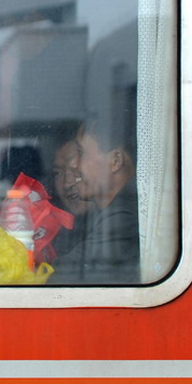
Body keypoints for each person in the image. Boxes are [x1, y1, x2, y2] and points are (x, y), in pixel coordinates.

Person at [49, 114, 139, 285]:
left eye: (81, 154)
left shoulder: (124, 217)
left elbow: (65, 275)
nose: (74, 165)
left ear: (115, 161)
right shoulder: (106, 214)